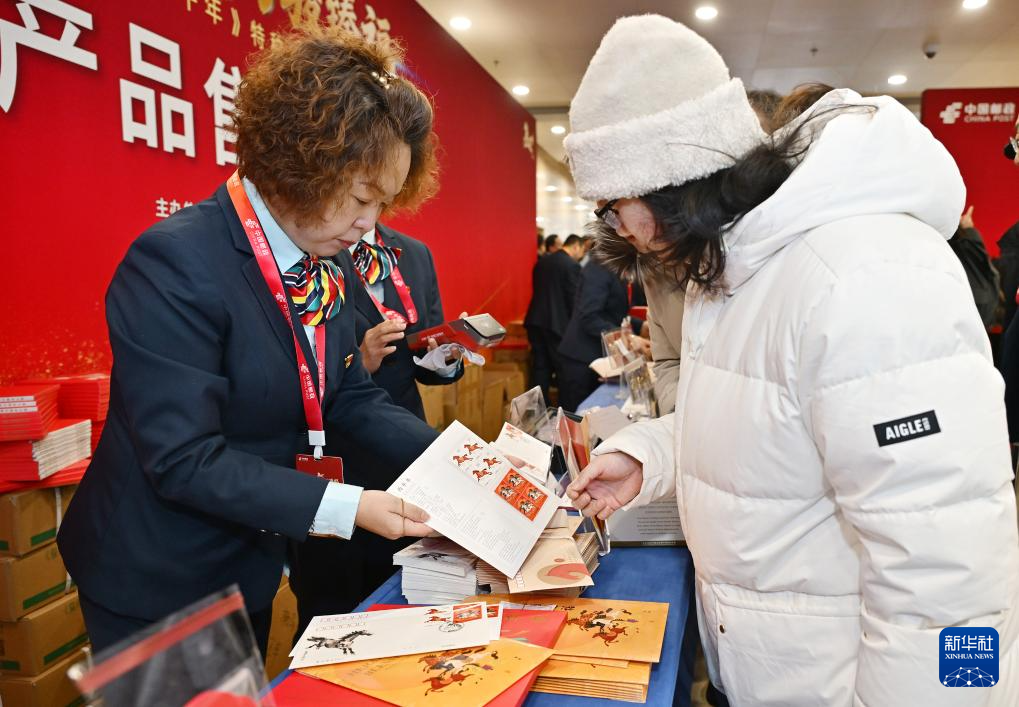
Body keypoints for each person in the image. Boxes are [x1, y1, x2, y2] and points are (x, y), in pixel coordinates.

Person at [564, 15, 1018, 706]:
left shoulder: (862, 274)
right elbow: (766, 422)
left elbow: (949, 572)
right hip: (776, 670)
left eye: (612, 205)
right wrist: (649, 454)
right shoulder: (739, 268)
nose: (615, 228)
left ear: (668, 182)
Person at [57, 28, 443, 655]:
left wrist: (458, 460)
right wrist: (349, 505)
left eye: (384, 204)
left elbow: (348, 394)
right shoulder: (175, 262)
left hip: (252, 554)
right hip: (161, 572)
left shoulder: (326, 259)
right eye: (360, 198)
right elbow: (183, 458)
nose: (368, 224)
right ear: (302, 165)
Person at [289, 221, 464, 637]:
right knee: (330, 613)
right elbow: (301, 372)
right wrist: (359, 360)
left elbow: (423, 355)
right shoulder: (308, 250)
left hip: (404, 449)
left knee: (403, 597)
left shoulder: (414, 253)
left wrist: (445, 358)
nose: (365, 217)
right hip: (333, 458)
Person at [557, 260, 645, 411]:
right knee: (578, 416)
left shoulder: (615, 268)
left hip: (597, 359)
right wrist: (628, 337)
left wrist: (640, 325)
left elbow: (614, 313)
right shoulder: (599, 267)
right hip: (581, 359)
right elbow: (589, 317)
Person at [524, 233, 584, 403]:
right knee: (563, 369)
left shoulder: (542, 262)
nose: (581, 256)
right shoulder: (572, 265)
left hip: (535, 320)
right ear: (576, 246)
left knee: (540, 368)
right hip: (557, 325)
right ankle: (564, 410)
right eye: (582, 252)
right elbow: (573, 300)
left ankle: (538, 410)